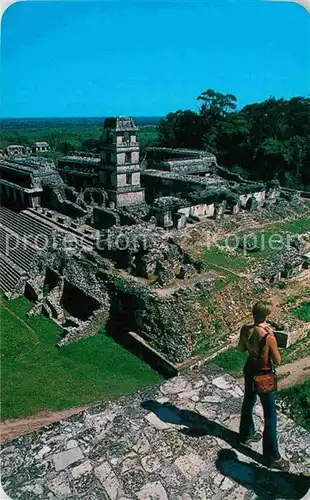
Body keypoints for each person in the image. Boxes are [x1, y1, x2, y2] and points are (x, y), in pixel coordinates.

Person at [238, 300, 290, 471]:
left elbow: (240, 349)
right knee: (270, 415)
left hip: (249, 369)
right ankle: (272, 456)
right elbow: (277, 360)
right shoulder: (269, 337)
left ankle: (246, 434)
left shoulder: (245, 329)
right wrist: (272, 341)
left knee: (248, 401)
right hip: (264, 375)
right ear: (267, 316)